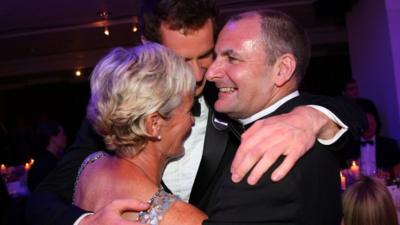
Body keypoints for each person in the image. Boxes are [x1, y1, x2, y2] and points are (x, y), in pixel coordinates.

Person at [26, 1, 366, 225]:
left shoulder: (233, 96)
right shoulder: (110, 116)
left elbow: (352, 115)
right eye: (179, 61)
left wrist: (312, 117)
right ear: (147, 45)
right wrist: (83, 223)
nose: (200, 74)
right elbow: (37, 203)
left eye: (206, 55)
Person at [202, 10, 342, 224]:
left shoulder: (267, 157)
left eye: (232, 58)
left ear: (282, 70)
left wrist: (154, 203)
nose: (211, 73)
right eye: (216, 57)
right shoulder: (310, 125)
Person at [74, 43, 207, 224]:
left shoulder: (90, 167)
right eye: (190, 110)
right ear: (153, 125)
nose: (192, 120)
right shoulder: (182, 219)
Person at [338, 111, 400, 177]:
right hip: (358, 184)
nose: (369, 127)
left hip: (382, 184)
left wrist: (389, 173)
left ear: (377, 125)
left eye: (372, 124)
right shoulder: (349, 145)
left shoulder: (389, 144)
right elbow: (342, 167)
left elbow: (398, 165)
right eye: (366, 125)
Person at [27, 122, 67, 191]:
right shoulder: (51, 164)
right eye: (62, 134)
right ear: (53, 138)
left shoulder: (41, 159)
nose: (65, 137)